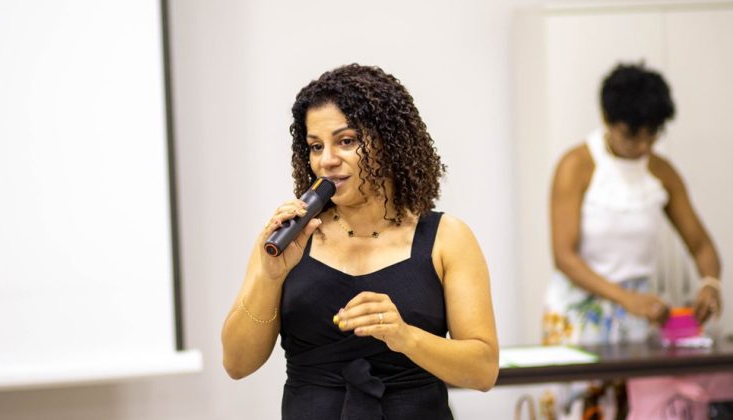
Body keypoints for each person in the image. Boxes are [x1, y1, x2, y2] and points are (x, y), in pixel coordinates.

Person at [221, 64, 498, 419]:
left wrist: (406, 337)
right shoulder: (287, 237)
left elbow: (483, 371)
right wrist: (268, 277)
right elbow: (237, 364)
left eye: (346, 141)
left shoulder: (447, 238)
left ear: (390, 142)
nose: (326, 160)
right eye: (316, 146)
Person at [543, 62, 723, 346]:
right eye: (631, 136)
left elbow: (701, 245)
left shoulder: (661, 172)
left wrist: (710, 284)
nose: (642, 147)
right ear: (606, 118)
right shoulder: (576, 166)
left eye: (651, 136)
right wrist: (625, 298)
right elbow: (564, 256)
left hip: (639, 314)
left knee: (638, 376)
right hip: (579, 310)